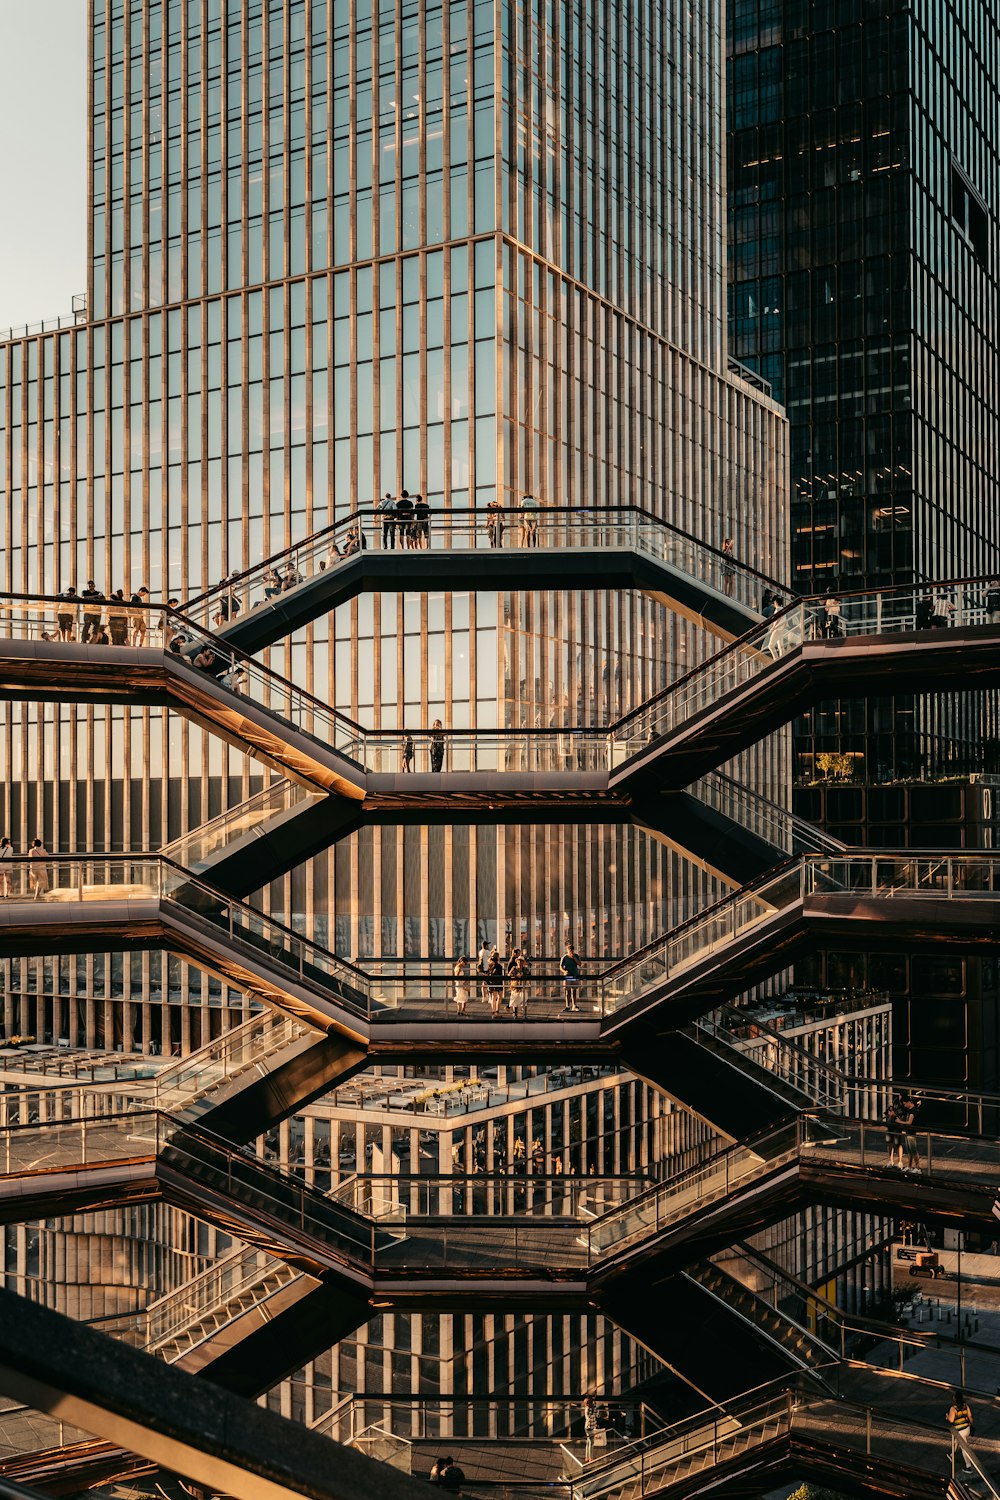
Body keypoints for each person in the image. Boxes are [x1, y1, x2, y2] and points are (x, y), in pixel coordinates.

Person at [946, 1390, 975, 1477]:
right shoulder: (966, 1405)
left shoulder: (953, 1408)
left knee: (964, 1448)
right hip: (967, 1429)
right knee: (956, 1442)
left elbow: (951, 1420)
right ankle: (952, 1455)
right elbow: (970, 1417)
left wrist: (947, 1417)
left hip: (960, 1431)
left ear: (955, 1399)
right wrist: (972, 1426)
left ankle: (968, 1466)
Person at [897, 1093, 921, 1173]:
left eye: (904, 1103)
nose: (904, 1105)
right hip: (908, 1132)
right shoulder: (910, 1110)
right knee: (910, 1151)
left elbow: (910, 1122)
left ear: (908, 1102)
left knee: (913, 1150)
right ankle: (910, 1166)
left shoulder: (913, 1110)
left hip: (911, 1132)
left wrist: (900, 1121)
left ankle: (918, 1167)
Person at [506, 948, 530, 1018]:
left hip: (523, 987)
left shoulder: (525, 969)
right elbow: (509, 975)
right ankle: (515, 1015)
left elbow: (529, 975)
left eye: (522, 962)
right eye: (519, 962)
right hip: (515, 987)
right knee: (515, 1002)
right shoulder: (514, 968)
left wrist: (523, 975)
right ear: (517, 962)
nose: (520, 963)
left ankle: (524, 1015)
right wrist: (515, 975)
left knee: (524, 1001)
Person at [560, 944, 582, 1011]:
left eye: (572, 950)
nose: (571, 951)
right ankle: (567, 1005)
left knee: (574, 990)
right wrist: (564, 971)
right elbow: (561, 966)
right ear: (567, 950)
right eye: (570, 950)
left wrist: (574, 958)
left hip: (574, 974)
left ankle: (574, 1005)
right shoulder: (564, 957)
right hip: (568, 975)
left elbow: (579, 964)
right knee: (567, 990)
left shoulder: (576, 956)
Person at [884, 1094, 904, 1168]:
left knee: (898, 1143)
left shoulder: (904, 1104)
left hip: (897, 1126)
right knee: (890, 1143)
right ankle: (891, 1160)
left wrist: (894, 1114)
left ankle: (900, 1161)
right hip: (890, 1124)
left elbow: (902, 1114)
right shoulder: (895, 1100)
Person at [485, 948, 505, 1015]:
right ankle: (497, 1011)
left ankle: (493, 1011)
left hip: (492, 983)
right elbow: (501, 975)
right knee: (499, 997)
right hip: (499, 983)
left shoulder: (489, 965)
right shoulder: (499, 966)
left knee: (493, 997)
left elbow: (486, 974)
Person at [583, 1397, 600, 1463]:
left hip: (587, 1426)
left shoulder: (586, 1408)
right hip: (590, 1427)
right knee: (591, 1443)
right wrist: (596, 1408)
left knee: (588, 1442)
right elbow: (597, 1415)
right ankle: (591, 1458)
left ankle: (587, 1457)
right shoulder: (591, 1409)